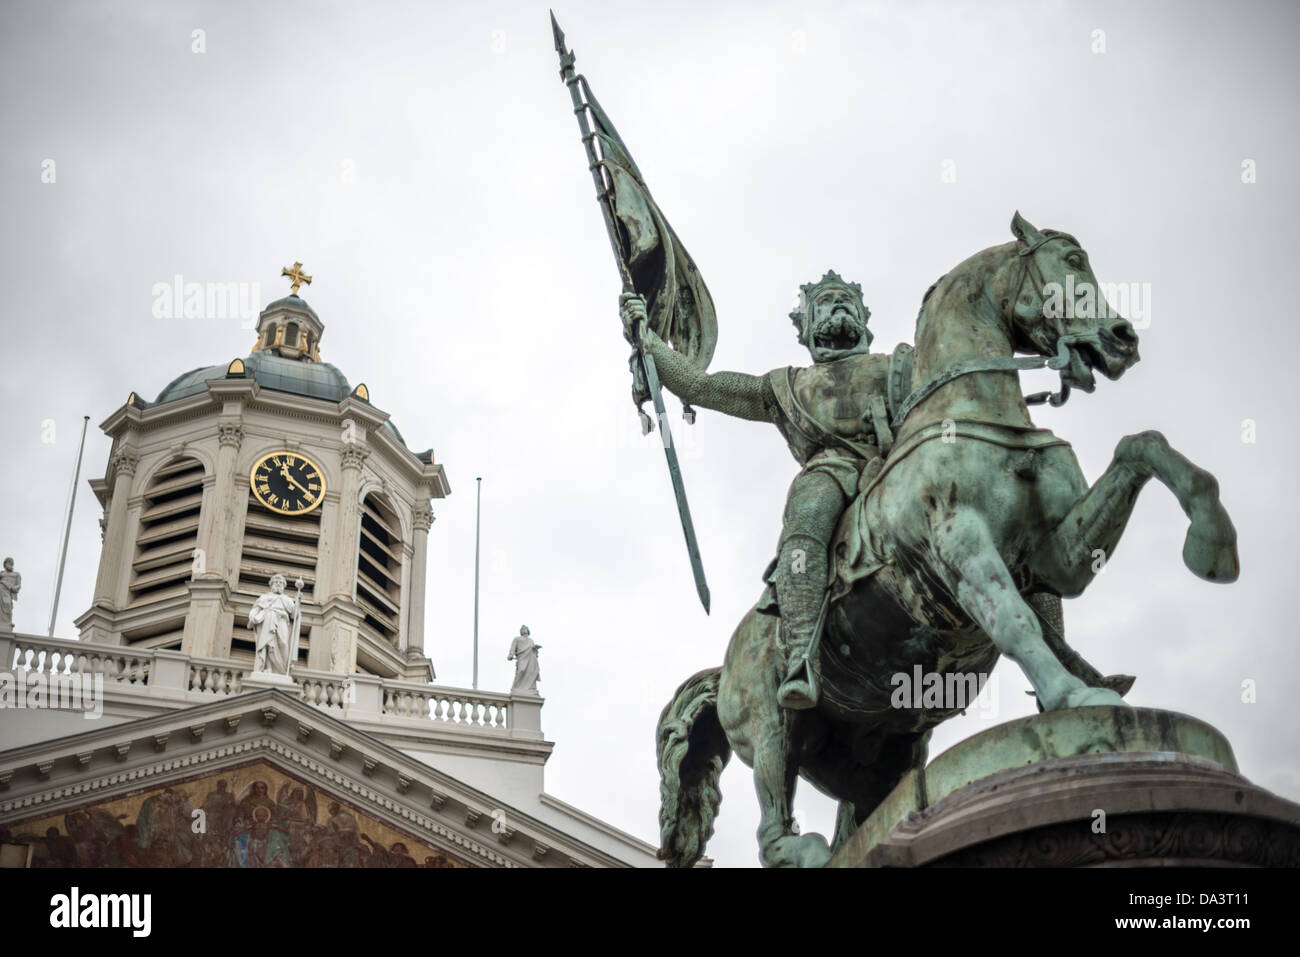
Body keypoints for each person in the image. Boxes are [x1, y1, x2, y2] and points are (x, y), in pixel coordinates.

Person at [621, 272, 891, 710]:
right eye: (825, 302)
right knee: (807, 515)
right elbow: (701, 388)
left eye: (846, 300)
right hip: (833, 473)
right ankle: (802, 653)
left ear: (865, 319)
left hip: (904, 460)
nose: (839, 305)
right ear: (804, 330)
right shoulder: (784, 388)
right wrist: (647, 339)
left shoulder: (903, 364)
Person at [249, 574, 299, 674]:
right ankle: (267, 667)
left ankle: (282, 670)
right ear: (271, 585)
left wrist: (298, 602)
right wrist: (252, 616)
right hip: (267, 620)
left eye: (280, 583)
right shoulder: (264, 597)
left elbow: (294, 614)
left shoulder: (287, 600)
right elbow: (256, 609)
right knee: (267, 644)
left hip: (282, 621)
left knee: (283, 643)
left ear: (284, 586)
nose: (278, 584)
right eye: (276, 582)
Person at [507, 626, 541, 693]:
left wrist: (535, 648)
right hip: (522, 657)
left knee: (531, 672)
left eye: (525, 629)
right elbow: (513, 648)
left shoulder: (531, 640)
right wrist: (510, 655)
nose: (523, 630)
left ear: (528, 631)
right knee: (521, 670)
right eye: (522, 629)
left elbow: (534, 651)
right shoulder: (517, 639)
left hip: (531, 657)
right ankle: (515, 688)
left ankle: (531, 688)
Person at [0, 557, 20, 631]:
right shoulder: (1, 573)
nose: (10, 564)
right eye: (9, 562)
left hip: (8, 591)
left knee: (8, 604)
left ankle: (7, 622)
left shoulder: (16, 574)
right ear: (5, 564)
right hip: (1, 589)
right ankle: (3, 623)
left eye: (11, 563)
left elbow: (19, 585)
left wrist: (15, 588)